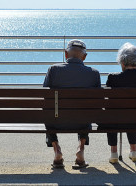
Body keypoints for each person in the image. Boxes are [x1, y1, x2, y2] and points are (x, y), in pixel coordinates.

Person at [43, 39, 101, 169]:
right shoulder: (94, 73)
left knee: (48, 113)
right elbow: (97, 103)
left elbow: (45, 98)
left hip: (56, 121)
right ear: (84, 57)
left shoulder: (53, 70)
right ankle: (80, 150)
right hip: (82, 121)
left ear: (66, 54)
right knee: (87, 113)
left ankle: (57, 150)